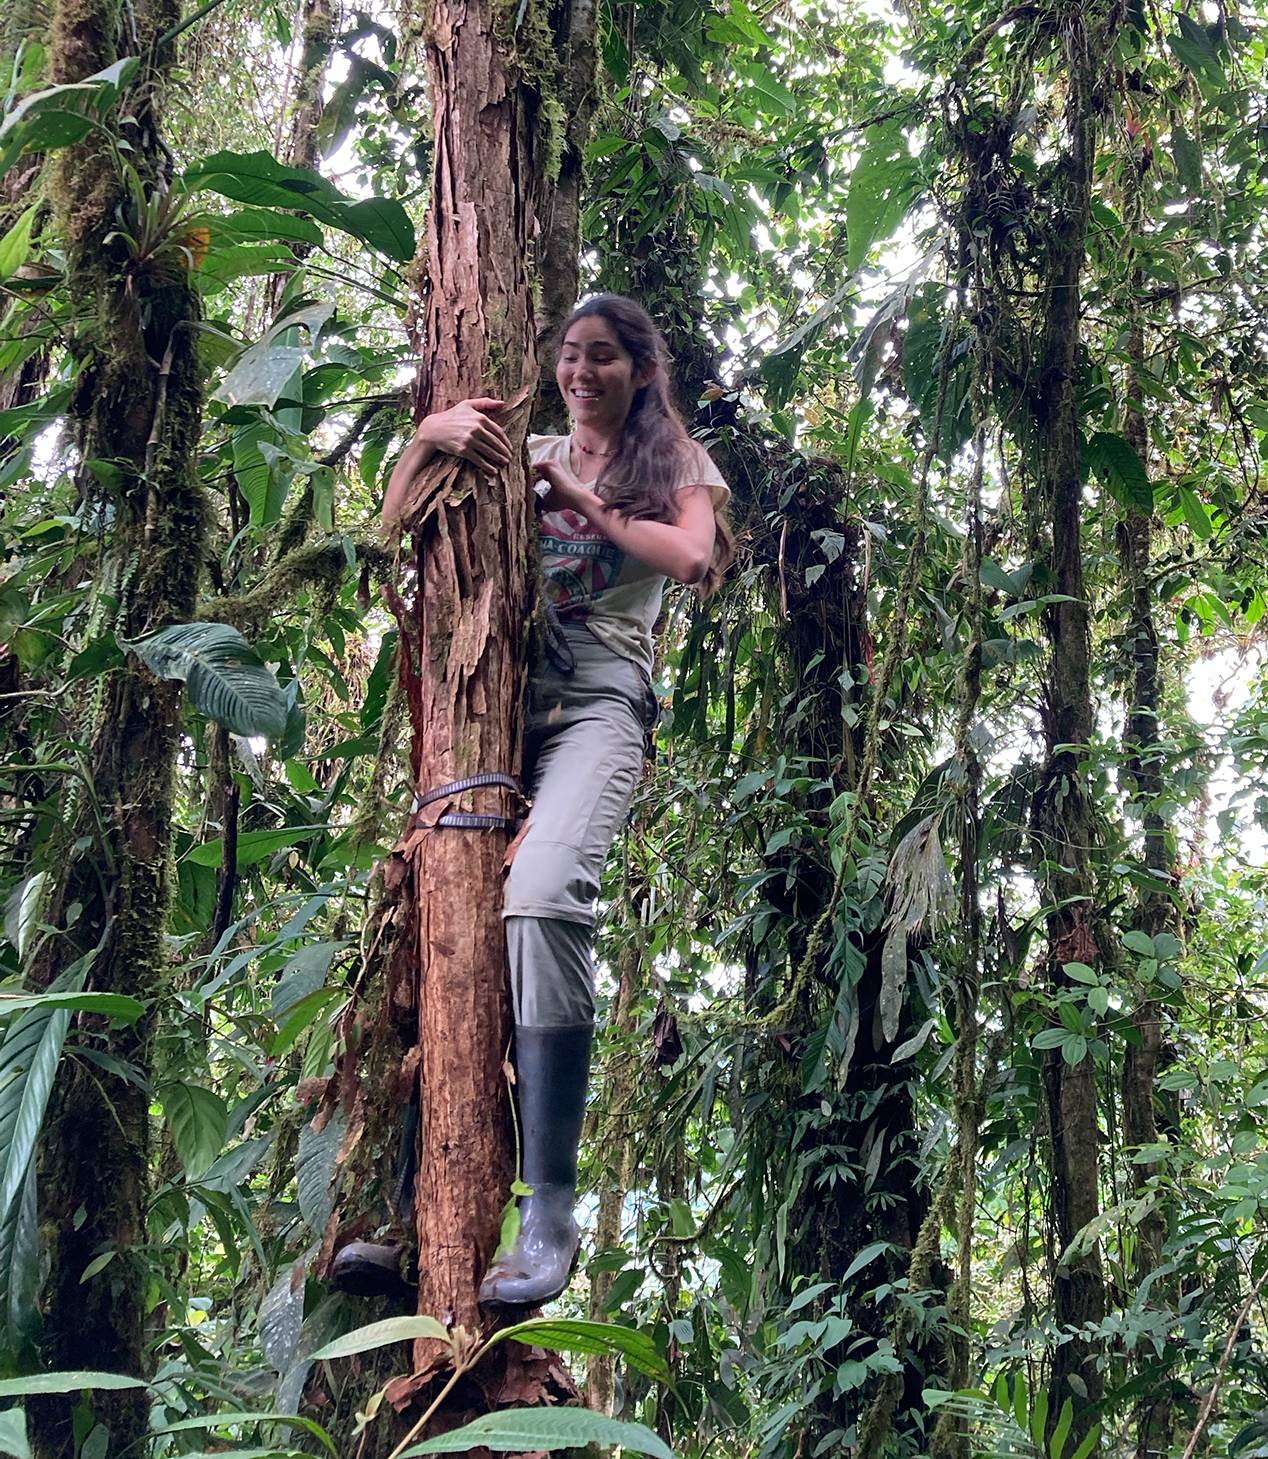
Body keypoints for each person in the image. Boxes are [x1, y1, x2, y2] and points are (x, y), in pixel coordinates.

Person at [335, 293, 732, 1308]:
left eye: (602, 356)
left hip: (601, 698)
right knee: (445, 919)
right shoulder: (530, 442)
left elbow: (693, 561)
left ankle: (548, 1207)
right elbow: (394, 530)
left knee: (546, 896)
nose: (579, 371)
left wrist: (578, 496)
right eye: (568, 354)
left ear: (641, 369)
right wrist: (427, 437)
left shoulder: (673, 462)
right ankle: (408, 1202)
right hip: (498, 695)